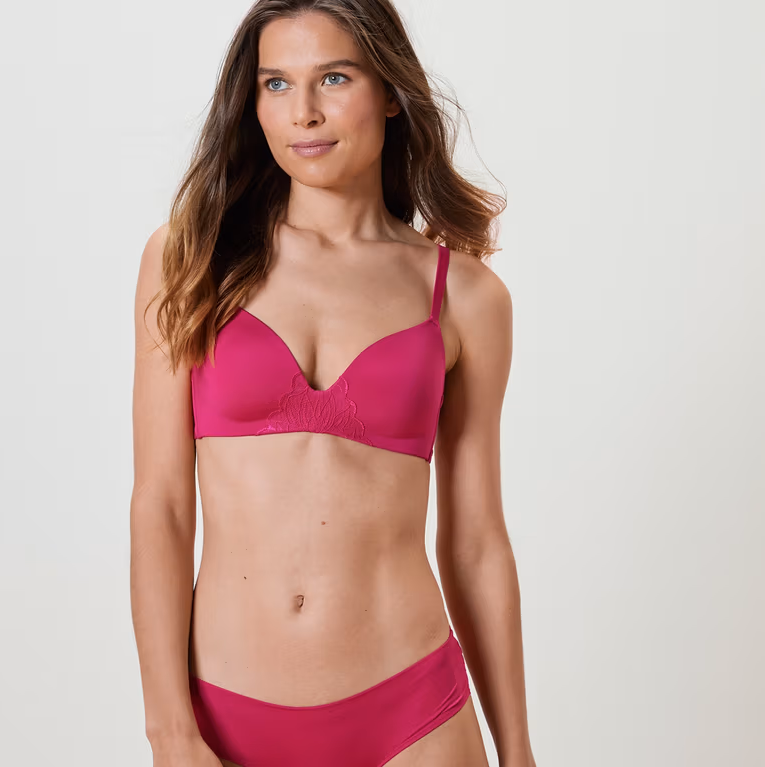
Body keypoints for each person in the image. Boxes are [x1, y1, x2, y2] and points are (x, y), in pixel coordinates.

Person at [131, 2, 534, 766]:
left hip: (412, 712)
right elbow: (161, 504)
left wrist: (518, 751)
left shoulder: (464, 296)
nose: (303, 113)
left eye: (335, 78)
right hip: (222, 715)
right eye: (276, 83)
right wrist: (169, 729)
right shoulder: (190, 258)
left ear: (391, 91)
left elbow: (477, 541)